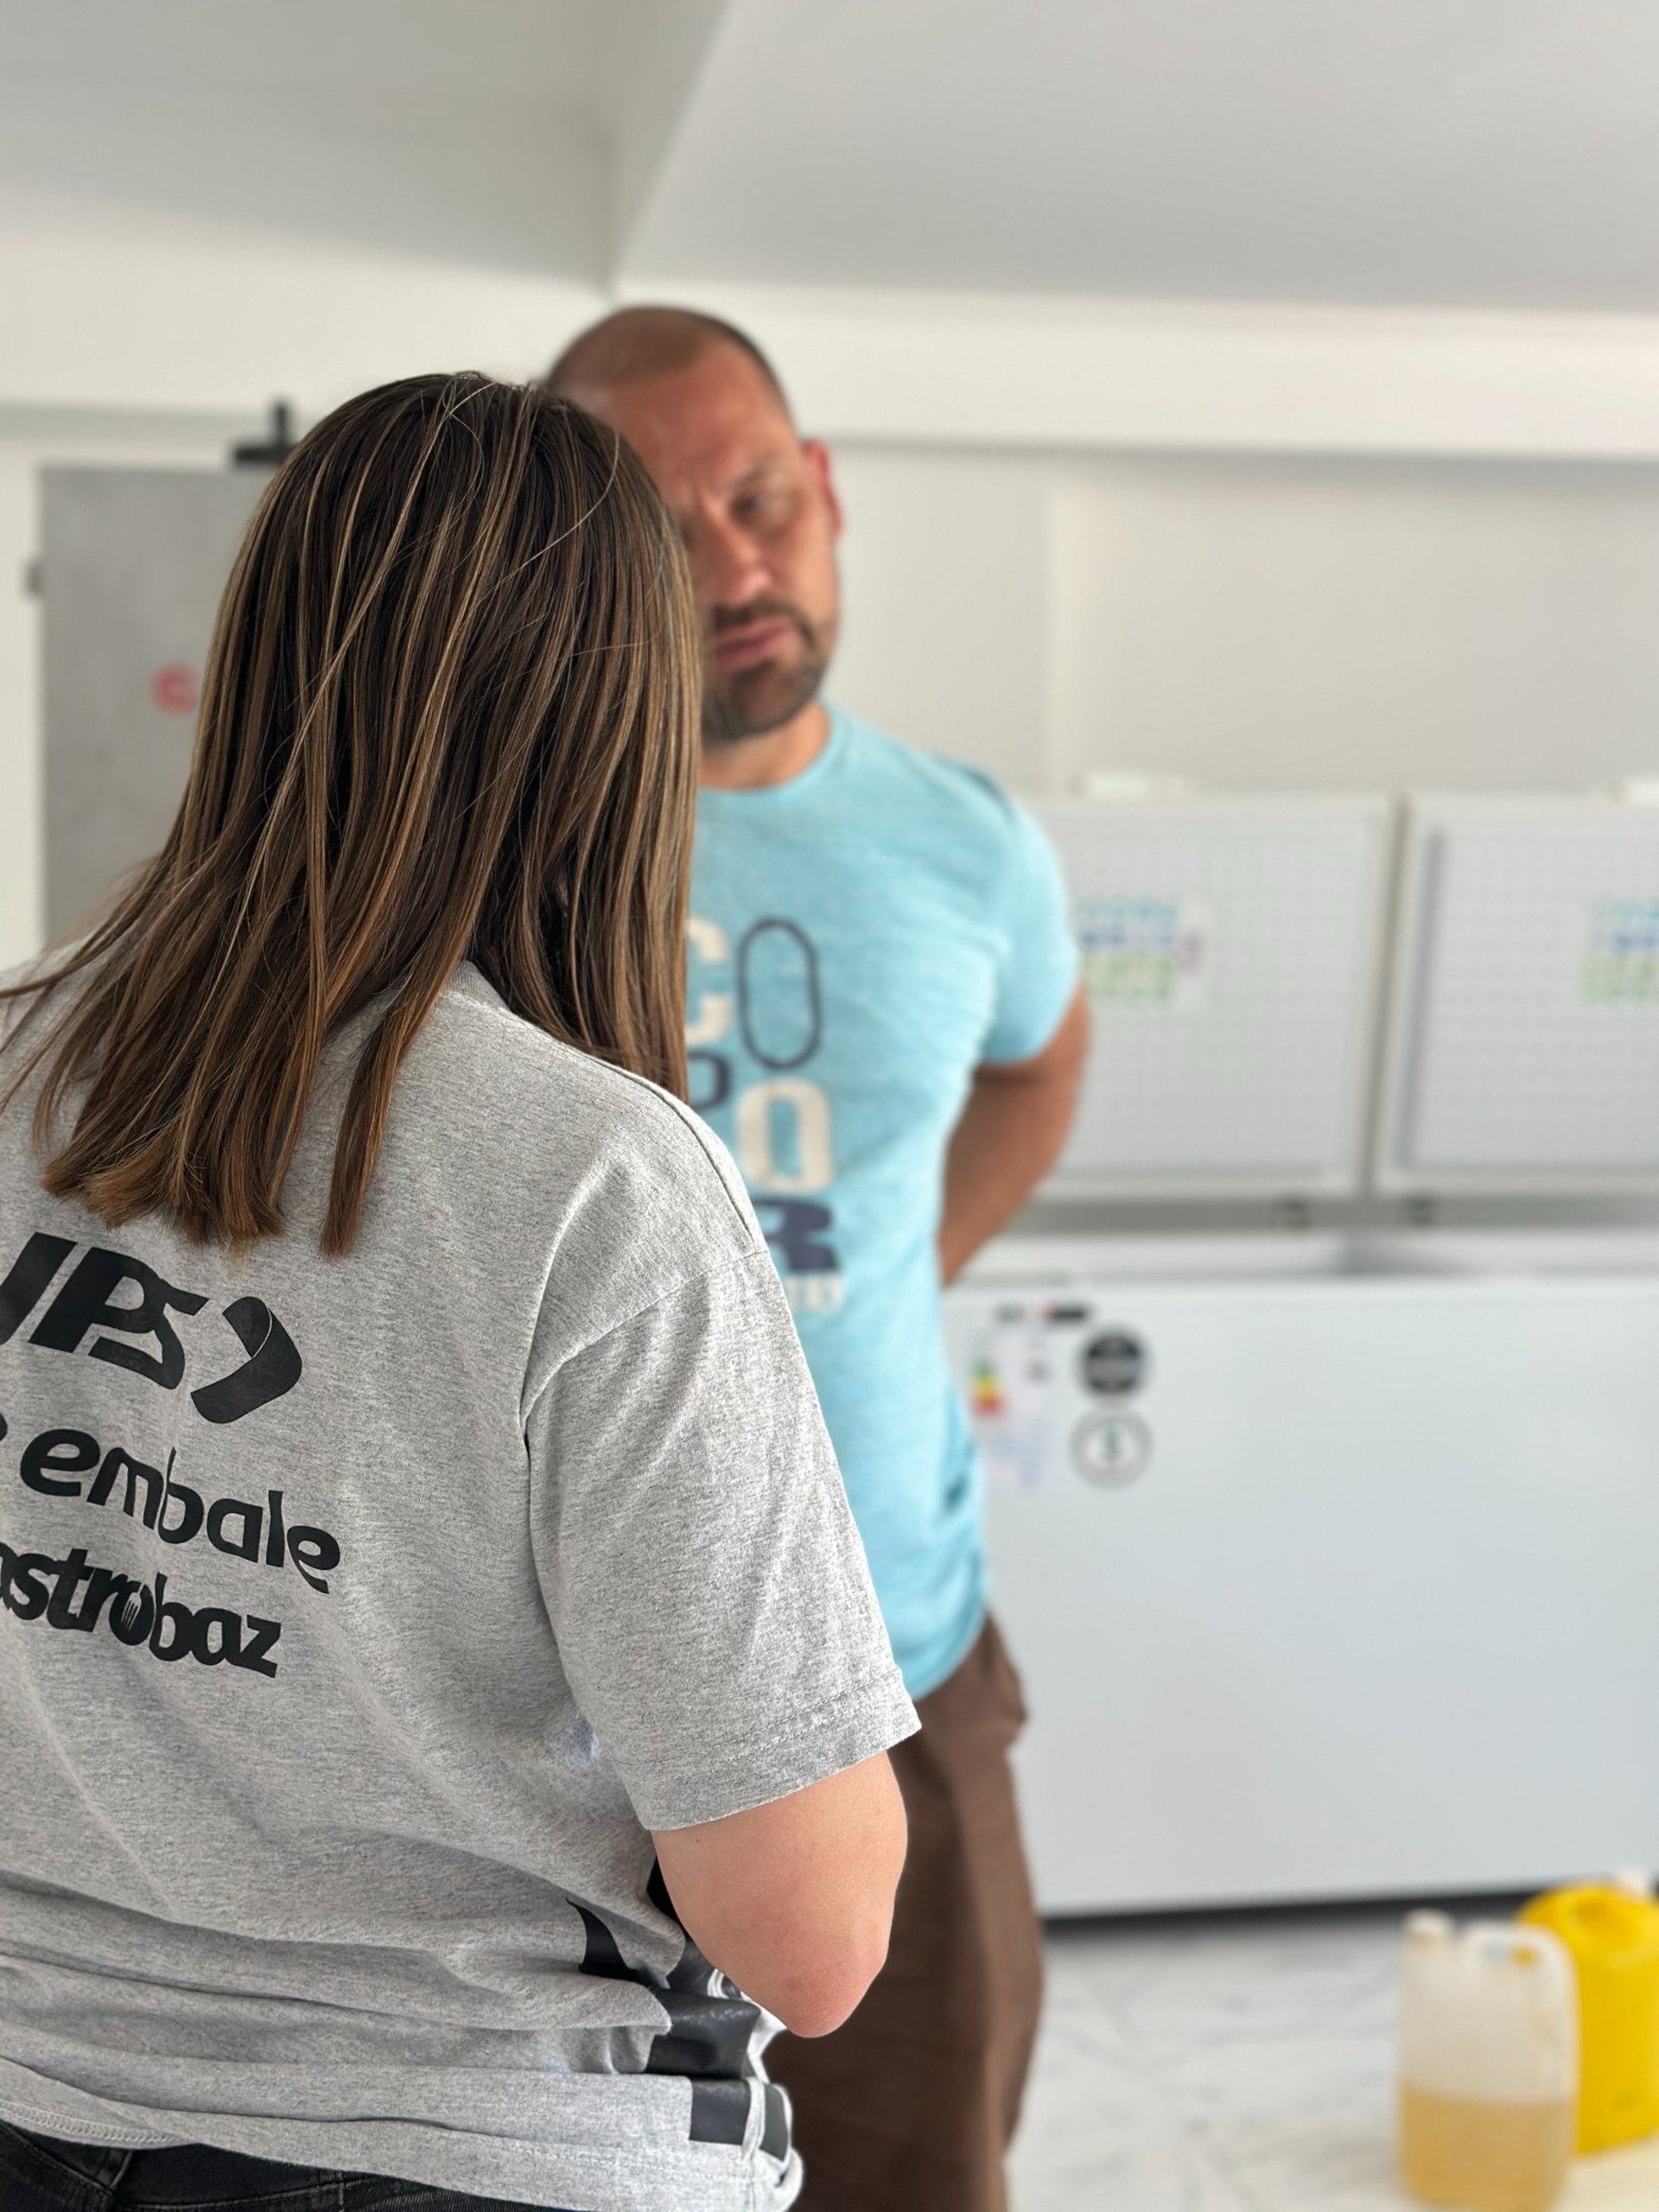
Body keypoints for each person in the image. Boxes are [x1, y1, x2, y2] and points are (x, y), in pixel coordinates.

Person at [0, 372, 917, 2212]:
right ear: (616, 725)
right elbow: (811, 1933)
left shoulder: (16, 1063)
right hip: (463, 2138)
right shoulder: (597, 1179)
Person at [545, 312, 1088, 2212]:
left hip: (903, 1642)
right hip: (553, 1704)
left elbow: (1039, 1052)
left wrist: (904, 1259)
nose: (734, 564)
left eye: (759, 496)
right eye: (662, 523)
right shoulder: (506, 845)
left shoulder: (969, 845)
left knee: (925, 2160)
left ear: (825, 488)